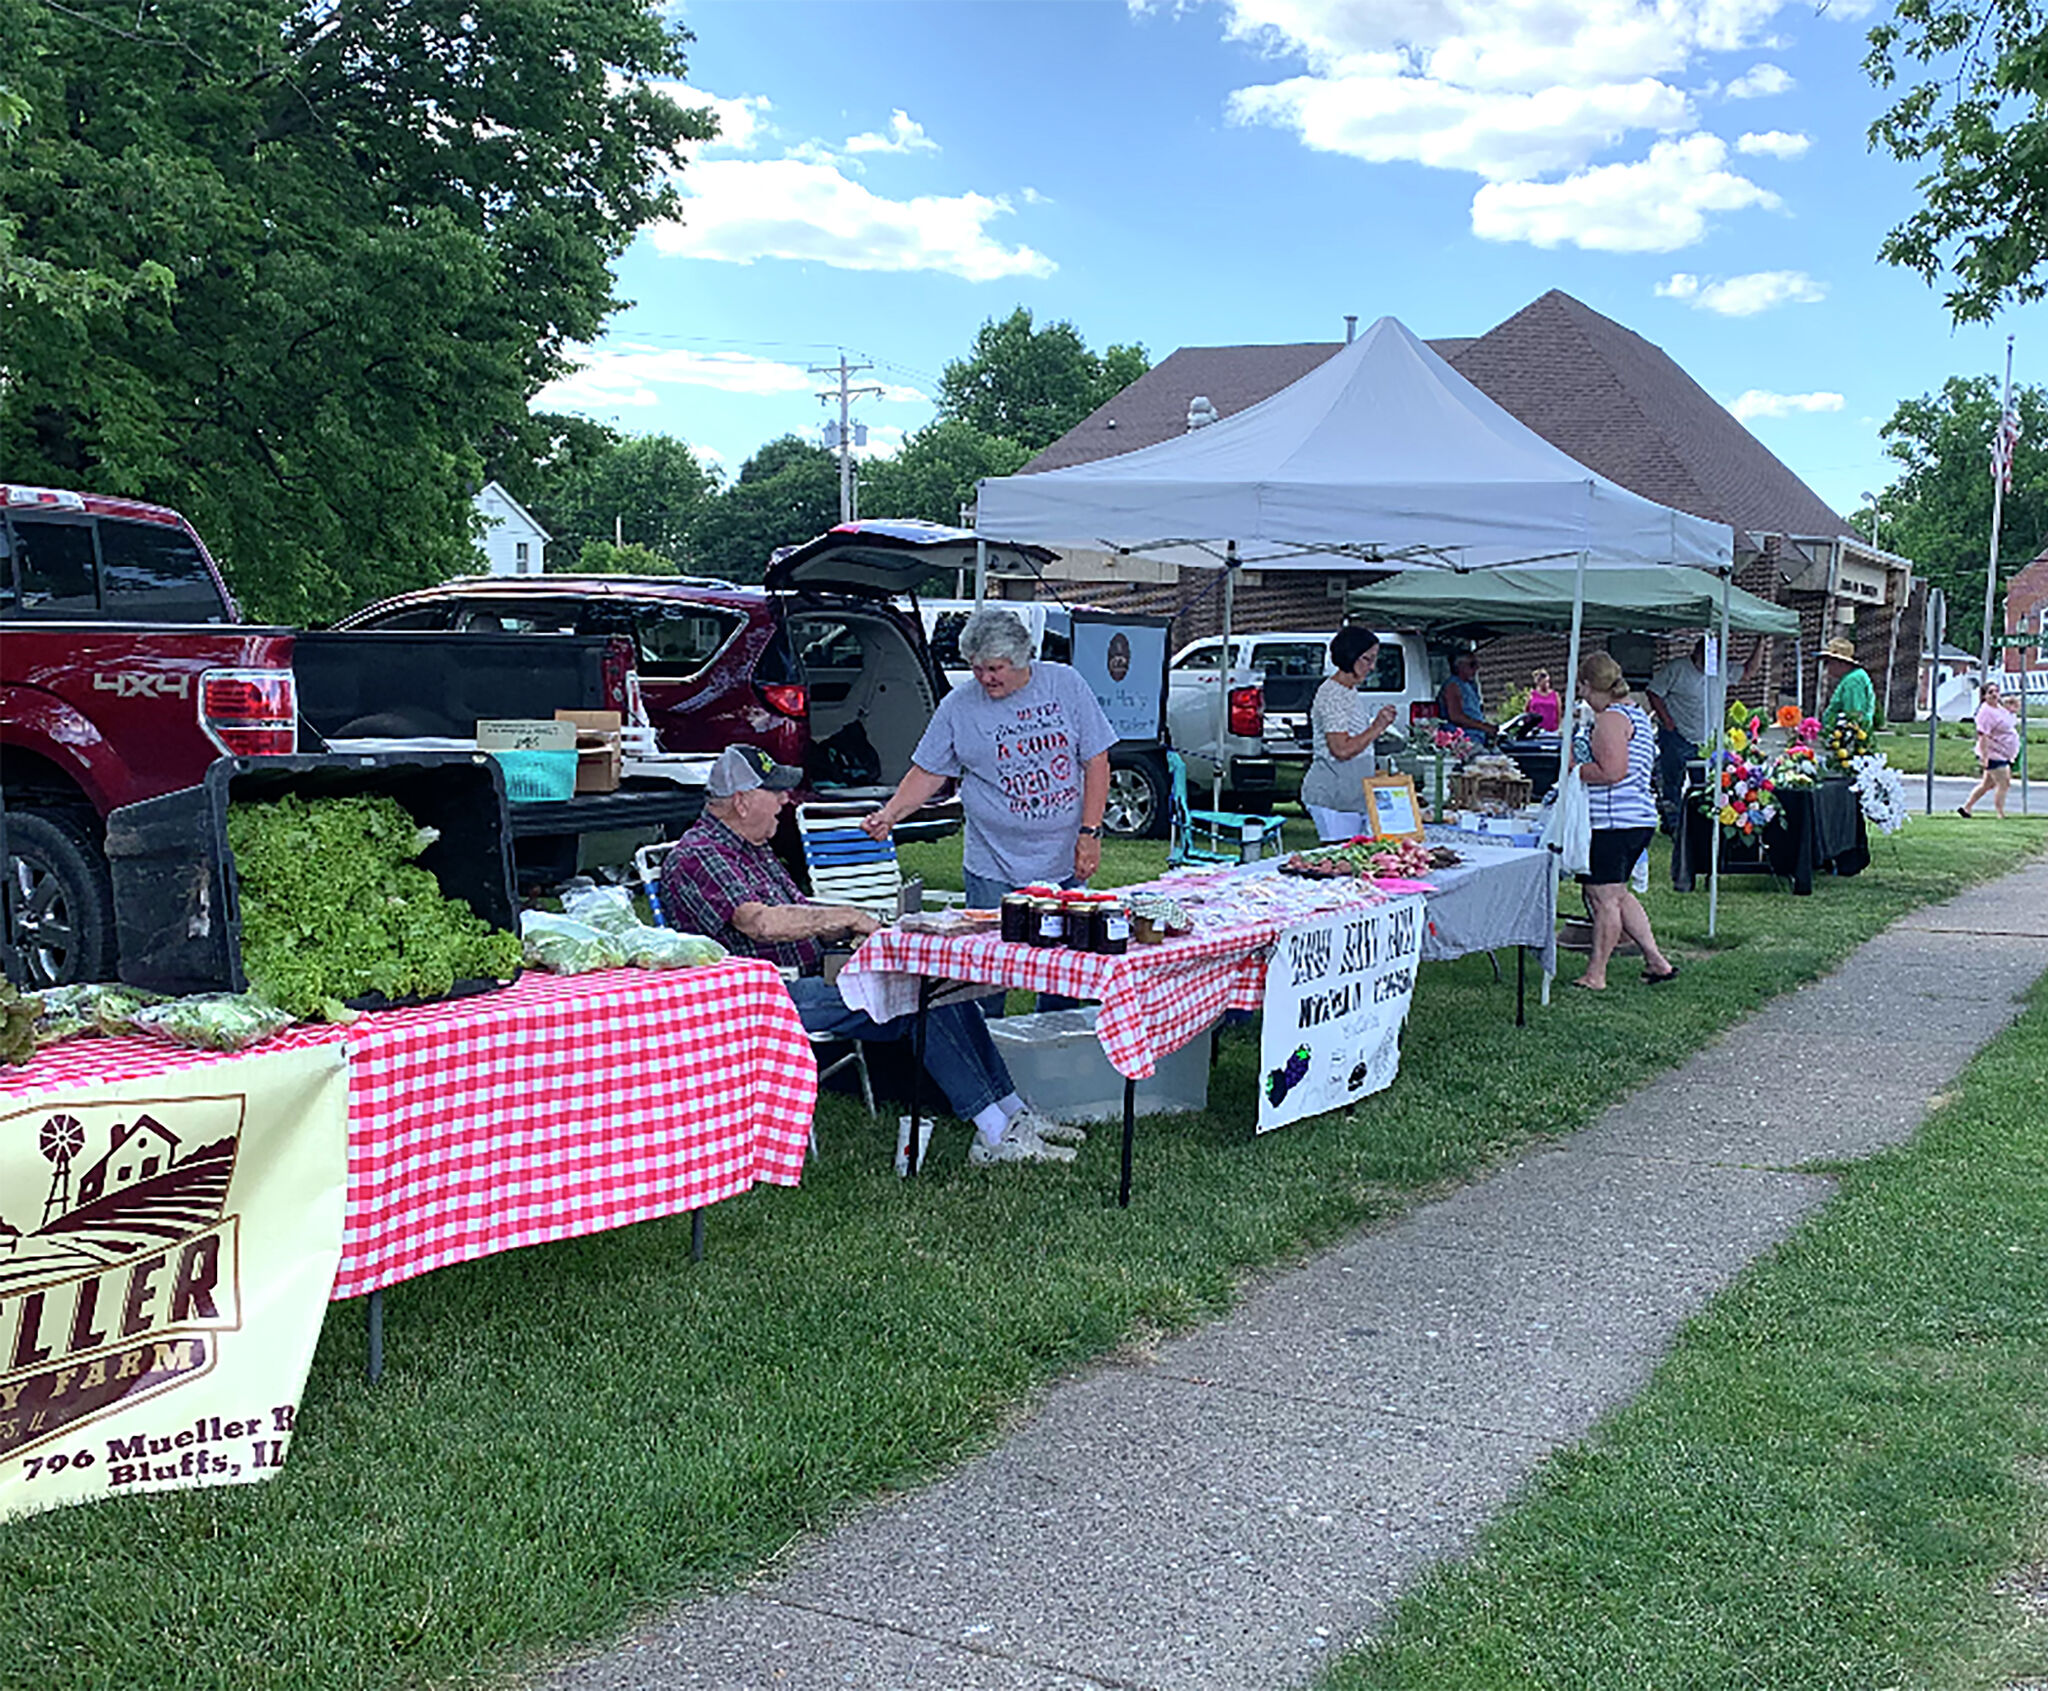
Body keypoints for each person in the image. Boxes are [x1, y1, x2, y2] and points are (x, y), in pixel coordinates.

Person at [663, 744, 1078, 1166]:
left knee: (939, 983)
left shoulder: (751, 847)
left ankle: (1012, 1112)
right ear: (742, 800)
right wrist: (844, 917)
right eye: (776, 792)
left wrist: (853, 933)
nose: (786, 800)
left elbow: (799, 910)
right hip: (758, 997)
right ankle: (993, 1135)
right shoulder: (699, 856)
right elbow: (759, 923)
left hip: (805, 978)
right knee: (921, 995)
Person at [862, 606, 1118, 911]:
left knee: (1061, 950)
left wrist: (1090, 832)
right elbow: (929, 771)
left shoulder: (1065, 685)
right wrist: (889, 815)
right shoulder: (958, 706)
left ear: (1021, 658)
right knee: (992, 953)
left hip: (1062, 861)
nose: (985, 678)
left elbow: (1097, 761)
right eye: (976, 668)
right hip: (991, 866)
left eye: (995, 668)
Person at [1572, 652, 1678, 991]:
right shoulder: (1636, 714)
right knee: (1618, 894)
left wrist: (1573, 770)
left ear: (1591, 685)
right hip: (1636, 818)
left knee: (1603, 898)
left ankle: (1596, 974)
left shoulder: (1610, 719)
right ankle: (1656, 961)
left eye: (1582, 687)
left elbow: (1612, 771)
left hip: (1613, 821)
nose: (1581, 694)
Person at [1646, 633, 1757, 828]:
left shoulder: (1719, 670)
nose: (1710, 663)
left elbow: (1748, 671)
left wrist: (1761, 642)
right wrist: (1667, 720)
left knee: (1706, 785)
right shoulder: (1677, 669)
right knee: (1672, 781)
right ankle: (1672, 824)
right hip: (1677, 735)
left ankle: (1701, 822)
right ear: (1697, 652)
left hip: (1707, 739)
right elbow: (1654, 691)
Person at [1301, 626, 1399, 841]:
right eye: (1367, 659)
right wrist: (1377, 727)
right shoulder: (1332, 694)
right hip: (1334, 797)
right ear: (1350, 655)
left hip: (1351, 796)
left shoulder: (1348, 691)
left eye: (1374, 659)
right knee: (1341, 860)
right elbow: (1341, 749)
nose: (1372, 667)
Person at [1959, 678, 2021, 819]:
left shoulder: (1999, 708)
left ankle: (1966, 808)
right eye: (1990, 692)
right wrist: (1985, 757)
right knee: (2004, 783)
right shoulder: (1985, 713)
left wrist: (2013, 710)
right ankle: (2000, 813)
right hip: (1994, 753)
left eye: (1996, 691)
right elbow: (1983, 736)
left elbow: (2007, 722)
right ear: (1984, 696)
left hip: (2004, 753)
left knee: (1987, 784)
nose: (1994, 694)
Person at [1819, 636, 1876, 737]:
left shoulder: (1854, 680)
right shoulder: (1849, 678)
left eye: (1829, 662)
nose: (1827, 667)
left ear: (1840, 663)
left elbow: (1853, 714)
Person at [1436, 652, 1496, 745]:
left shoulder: (1469, 685)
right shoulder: (1453, 686)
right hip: (1464, 740)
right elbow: (1456, 717)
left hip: (1477, 737)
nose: (1476, 668)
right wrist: (1483, 727)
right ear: (1460, 666)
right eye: (1472, 664)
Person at [1525, 669, 1562, 734]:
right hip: (1536, 731)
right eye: (1544, 682)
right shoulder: (1532, 695)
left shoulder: (1555, 695)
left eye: (1548, 682)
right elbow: (1526, 711)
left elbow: (1558, 712)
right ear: (1538, 682)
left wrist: (1559, 727)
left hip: (1552, 731)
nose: (1547, 685)